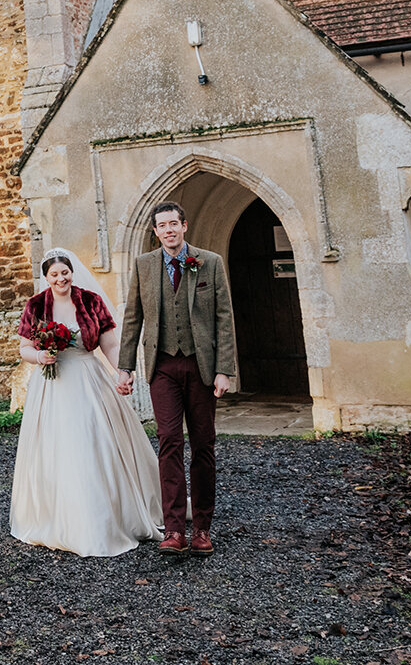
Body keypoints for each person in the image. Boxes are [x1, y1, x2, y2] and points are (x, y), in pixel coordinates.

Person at [10, 247, 164, 556]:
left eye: (64, 272)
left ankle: (109, 515)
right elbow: (24, 348)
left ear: (71, 271)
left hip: (88, 377)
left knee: (95, 440)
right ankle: (60, 516)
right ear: (46, 277)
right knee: (56, 446)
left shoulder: (90, 301)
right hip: (52, 384)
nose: (60, 278)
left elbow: (109, 342)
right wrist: (41, 355)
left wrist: (122, 372)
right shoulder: (36, 305)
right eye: (54, 274)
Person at [116, 201, 237, 557]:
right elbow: (132, 318)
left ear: (184, 226)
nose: (168, 230)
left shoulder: (209, 262)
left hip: (201, 366)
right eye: (162, 226)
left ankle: (201, 528)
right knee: (169, 441)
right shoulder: (144, 265)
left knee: (203, 445)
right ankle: (173, 529)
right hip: (163, 366)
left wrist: (223, 369)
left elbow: (223, 319)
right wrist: (125, 367)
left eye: (174, 224)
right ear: (155, 232)